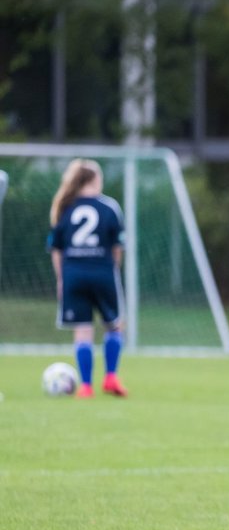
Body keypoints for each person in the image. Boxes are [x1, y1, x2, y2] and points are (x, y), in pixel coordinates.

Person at [47, 159, 127, 399]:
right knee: (114, 325)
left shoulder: (64, 207)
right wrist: (114, 270)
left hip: (73, 274)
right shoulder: (110, 207)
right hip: (103, 272)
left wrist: (62, 278)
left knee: (83, 330)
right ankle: (111, 376)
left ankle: (86, 386)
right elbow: (117, 246)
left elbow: (56, 249)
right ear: (94, 179)